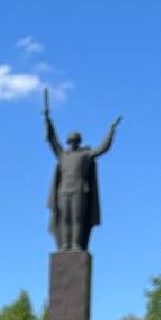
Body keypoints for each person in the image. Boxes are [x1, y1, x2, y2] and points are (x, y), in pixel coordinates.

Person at [43, 87, 122, 252]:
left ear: (78, 141)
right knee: (65, 218)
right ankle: (65, 245)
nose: (71, 143)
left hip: (80, 190)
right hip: (63, 191)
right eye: (69, 140)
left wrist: (111, 130)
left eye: (73, 140)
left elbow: (103, 148)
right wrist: (47, 120)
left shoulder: (86, 154)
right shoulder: (62, 155)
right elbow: (52, 139)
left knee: (78, 218)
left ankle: (77, 245)